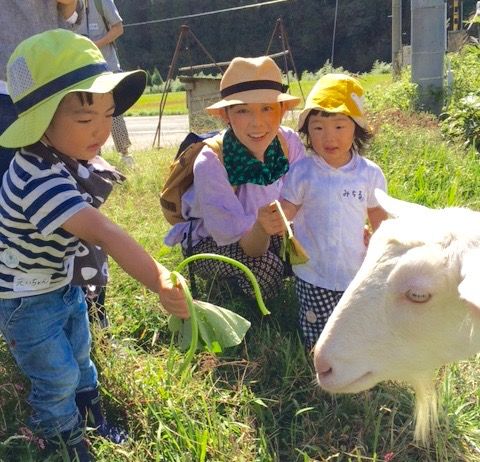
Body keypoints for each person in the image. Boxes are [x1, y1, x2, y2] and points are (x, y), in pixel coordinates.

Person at [0, 30, 188, 461]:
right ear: (41, 121)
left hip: (60, 282)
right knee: (56, 374)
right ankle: (59, 438)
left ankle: (89, 414)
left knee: (81, 356)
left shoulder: (63, 158)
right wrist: (159, 280)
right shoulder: (37, 178)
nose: (102, 131)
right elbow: (105, 232)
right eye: (86, 120)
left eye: (108, 115)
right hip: (26, 299)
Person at [164, 56, 305, 300]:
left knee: (324, 244)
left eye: (267, 108)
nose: (257, 122)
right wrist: (263, 227)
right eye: (242, 110)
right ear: (226, 115)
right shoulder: (212, 162)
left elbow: (306, 201)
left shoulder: (288, 142)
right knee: (265, 269)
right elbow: (251, 247)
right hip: (213, 240)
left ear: (281, 111)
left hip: (269, 228)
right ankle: (231, 293)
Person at [279, 73, 388, 349]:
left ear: (356, 128)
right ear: (307, 131)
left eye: (340, 126)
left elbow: (381, 222)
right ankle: (316, 367)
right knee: (316, 337)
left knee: (352, 331)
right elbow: (286, 211)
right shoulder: (303, 172)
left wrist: (380, 244)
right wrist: (274, 215)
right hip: (313, 271)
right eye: (318, 128)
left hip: (355, 270)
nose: (329, 137)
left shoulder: (369, 174)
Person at [0, 0, 82, 177]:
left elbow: (71, 13)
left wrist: (70, 8)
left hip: (52, 85)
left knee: (57, 180)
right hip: (11, 88)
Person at [74, 0, 135, 167]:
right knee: (88, 113)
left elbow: (118, 28)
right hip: (82, 69)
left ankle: (125, 154)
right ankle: (94, 158)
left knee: (113, 111)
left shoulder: (101, 2)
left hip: (107, 66)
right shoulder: (68, 4)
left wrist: (93, 45)